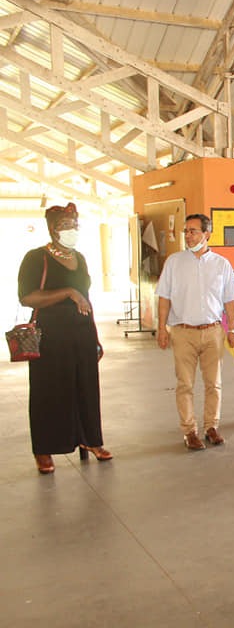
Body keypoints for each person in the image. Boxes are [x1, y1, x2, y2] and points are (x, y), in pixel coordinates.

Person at [17, 203, 112, 474]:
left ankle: (90, 440)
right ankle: (44, 450)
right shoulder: (36, 257)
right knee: (49, 391)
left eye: (74, 225)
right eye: (65, 225)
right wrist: (68, 291)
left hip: (82, 333)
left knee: (86, 388)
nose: (71, 229)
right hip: (51, 336)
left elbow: (86, 299)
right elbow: (27, 297)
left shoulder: (79, 257)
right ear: (52, 229)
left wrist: (94, 336)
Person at [156, 213, 234, 451]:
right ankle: (189, 431)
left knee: (214, 383)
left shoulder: (222, 264)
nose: (188, 236)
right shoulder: (174, 262)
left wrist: (232, 328)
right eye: (186, 231)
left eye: (193, 231)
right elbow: (164, 298)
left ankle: (212, 427)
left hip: (213, 332)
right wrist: (161, 328)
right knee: (185, 384)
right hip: (183, 332)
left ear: (207, 234)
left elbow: (230, 300)